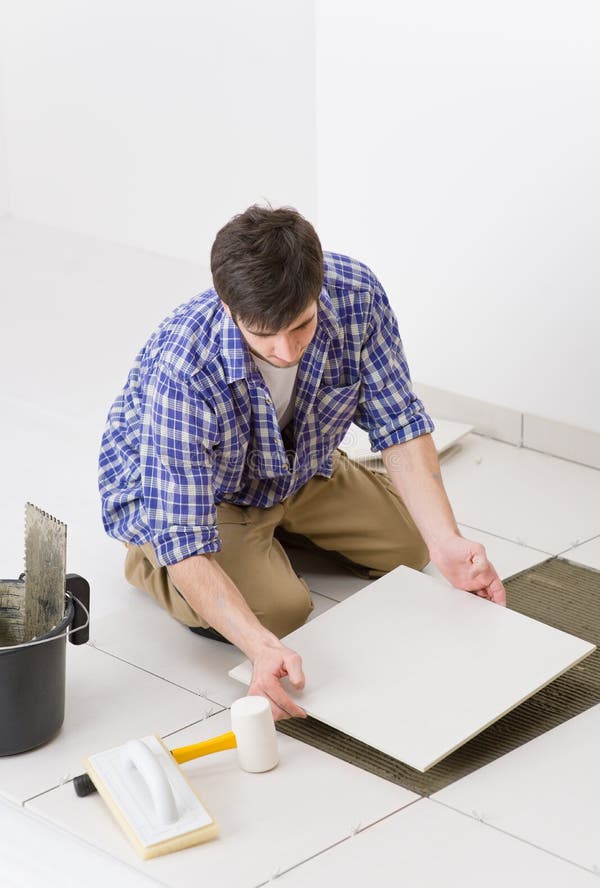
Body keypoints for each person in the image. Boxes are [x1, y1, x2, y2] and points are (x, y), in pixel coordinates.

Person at [99, 204, 505, 722]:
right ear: (227, 305)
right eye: (264, 335)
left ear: (318, 289)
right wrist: (259, 648)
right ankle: (145, 558)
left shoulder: (356, 294)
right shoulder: (186, 364)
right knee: (280, 612)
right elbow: (183, 534)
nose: (285, 350)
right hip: (201, 496)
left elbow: (399, 424)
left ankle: (272, 532)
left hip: (298, 466)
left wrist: (447, 541)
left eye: (300, 326)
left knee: (412, 546)